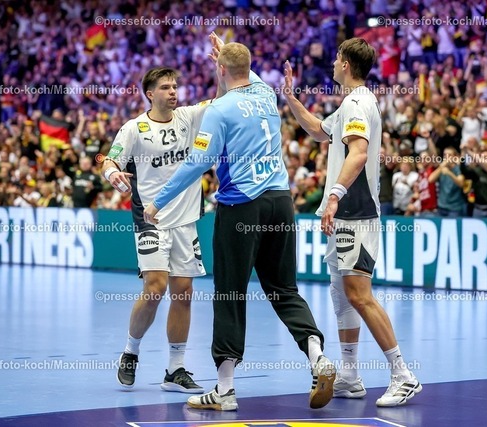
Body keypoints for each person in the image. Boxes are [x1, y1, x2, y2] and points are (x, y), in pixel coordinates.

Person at [145, 39, 336, 411]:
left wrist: (157, 203)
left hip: (241, 207)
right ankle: (317, 356)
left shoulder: (219, 109)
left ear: (219, 70)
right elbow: (244, 71)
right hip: (280, 201)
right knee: (284, 289)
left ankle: (225, 390)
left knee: (230, 294)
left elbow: (198, 162)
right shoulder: (265, 94)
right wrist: (227, 57)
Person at [282, 37, 422, 407]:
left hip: (356, 212)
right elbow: (319, 131)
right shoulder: (351, 103)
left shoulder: (358, 102)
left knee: (359, 294)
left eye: (336, 58)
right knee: (342, 292)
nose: (332, 63)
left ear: (345, 63)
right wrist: (291, 98)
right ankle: (349, 375)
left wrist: (333, 195)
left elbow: (358, 153)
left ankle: (403, 375)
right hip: (346, 213)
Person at [101, 63, 218, 393]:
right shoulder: (134, 128)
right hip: (150, 219)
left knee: (184, 293)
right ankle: (130, 351)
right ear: (150, 94)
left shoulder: (188, 117)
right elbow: (110, 160)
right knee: (155, 288)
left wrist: (221, 68)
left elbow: (222, 99)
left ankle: (175, 369)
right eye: (166, 87)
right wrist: (113, 173)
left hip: (185, 221)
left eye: (175, 86)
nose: (173, 92)